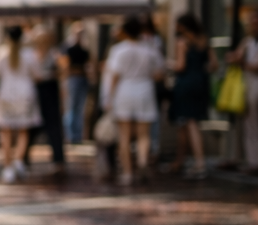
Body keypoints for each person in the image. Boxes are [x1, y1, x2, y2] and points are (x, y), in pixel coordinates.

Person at [103, 16, 164, 186]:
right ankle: (143, 162)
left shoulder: (119, 50)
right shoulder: (150, 49)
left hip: (125, 92)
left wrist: (109, 98)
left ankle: (128, 172)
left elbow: (114, 76)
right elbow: (160, 74)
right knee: (144, 135)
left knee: (124, 136)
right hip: (145, 90)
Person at [0, 25, 41, 184]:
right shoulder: (29, 54)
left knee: (6, 132)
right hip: (25, 94)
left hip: (6, 94)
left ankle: (8, 166)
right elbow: (37, 75)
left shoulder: (1, 53)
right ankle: (18, 160)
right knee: (23, 131)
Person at [169, 14, 211, 179]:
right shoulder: (203, 41)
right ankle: (181, 161)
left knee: (189, 122)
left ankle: (199, 163)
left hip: (186, 84)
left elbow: (180, 66)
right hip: (200, 83)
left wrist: (168, 64)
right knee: (188, 124)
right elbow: (213, 65)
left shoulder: (182, 42)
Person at [29, 25, 66, 176]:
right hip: (36, 90)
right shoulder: (31, 54)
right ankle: (23, 157)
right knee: (31, 125)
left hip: (50, 90)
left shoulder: (54, 54)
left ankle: (58, 159)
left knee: (53, 126)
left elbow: (64, 70)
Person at [228, 8, 258, 171]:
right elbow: (235, 57)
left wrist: (243, 64)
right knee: (250, 124)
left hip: (254, 84)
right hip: (250, 86)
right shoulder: (248, 41)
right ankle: (253, 161)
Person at [61, 25, 93, 144]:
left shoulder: (85, 48)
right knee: (71, 108)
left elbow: (90, 64)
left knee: (79, 109)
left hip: (82, 80)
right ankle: (70, 135)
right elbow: (65, 67)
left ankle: (78, 136)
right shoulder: (68, 48)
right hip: (73, 80)